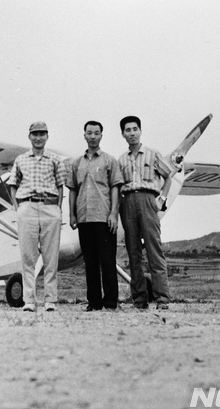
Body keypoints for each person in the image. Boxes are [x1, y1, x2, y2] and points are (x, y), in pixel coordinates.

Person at [8, 121, 67, 313]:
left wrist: (57, 209)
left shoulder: (55, 160)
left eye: (42, 134)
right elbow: (13, 184)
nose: (38, 137)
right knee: (28, 256)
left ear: (47, 136)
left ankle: (51, 300)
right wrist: (18, 209)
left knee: (51, 256)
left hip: (50, 207)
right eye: (35, 134)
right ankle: (29, 301)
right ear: (29, 137)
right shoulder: (21, 159)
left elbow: (60, 186)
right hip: (27, 206)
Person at [117, 116, 175, 310]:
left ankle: (162, 299)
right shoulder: (121, 160)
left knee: (153, 250)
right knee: (133, 252)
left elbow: (168, 176)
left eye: (135, 129)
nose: (132, 133)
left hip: (148, 200)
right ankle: (139, 300)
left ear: (140, 131)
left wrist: (162, 199)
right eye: (128, 130)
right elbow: (118, 186)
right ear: (123, 134)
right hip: (127, 203)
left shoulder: (153, 154)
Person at [67, 121, 124, 311]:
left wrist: (114, 214)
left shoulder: (110, 161)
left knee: (107, 261)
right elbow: (73, 190)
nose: (92, 136)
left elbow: (115, 187)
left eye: (96, 133)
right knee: (90, 263)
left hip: (104, 217)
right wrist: (72, 214)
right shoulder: (76, 163)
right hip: (84, 218)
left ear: (101, 136)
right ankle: (94, 302)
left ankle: (110, 302)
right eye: (89, 133)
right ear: (84, 135)